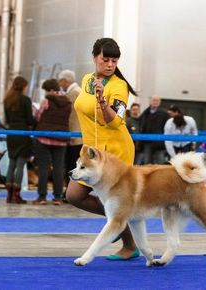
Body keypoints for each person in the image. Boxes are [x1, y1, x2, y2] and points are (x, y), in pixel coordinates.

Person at [66, 37, 139, 260]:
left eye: (114, 60)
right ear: (95, 58)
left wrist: (102, 101)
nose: (109, 64)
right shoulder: (87, 79)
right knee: (73, 195)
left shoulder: (119, 86)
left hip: (115, 151)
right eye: (105, 59)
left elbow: (115, 121)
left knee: (111, 201)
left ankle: (129, 246)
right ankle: (118, 224)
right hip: (91, 151)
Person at [32, 79, 71, 205]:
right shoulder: (68, 102)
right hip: (61, 139)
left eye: (45, 90)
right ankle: (58, 197)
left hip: (44, 138)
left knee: (43, 167)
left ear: (50, 90)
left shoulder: (46, 101)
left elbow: (39, 116)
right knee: (59, 168)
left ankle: (42, 197)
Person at [4, 76, 35, 204]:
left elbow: (6, 118)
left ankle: (9, 195)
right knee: (20, 164)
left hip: (11, 133)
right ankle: (17, 194)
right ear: (23, 86)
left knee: (11, 163)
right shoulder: (26, 100)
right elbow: (30, 120)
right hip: (23, 133)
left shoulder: (7, 100)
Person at [58, 70, 83, 191]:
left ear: (65, 80)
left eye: (60, 80)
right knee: (71, 163)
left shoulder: (74, 93)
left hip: (75, 134)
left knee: (72, 164)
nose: (59, 83)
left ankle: (71, 191)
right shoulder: (75, 92)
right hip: (74, 134)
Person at [139, 95, 169, 164]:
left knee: (160, 162)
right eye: (154, 100)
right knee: (147, 162)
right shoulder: (145, 113)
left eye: (157, 100)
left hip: (160, 142)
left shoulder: (164, 113)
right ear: (150, 101)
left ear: (160, 102)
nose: (155, 102)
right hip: (147, 141)